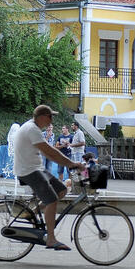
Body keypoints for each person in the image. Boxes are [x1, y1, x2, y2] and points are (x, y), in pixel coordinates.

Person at [13, 105, 86, 251]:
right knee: (51, 200)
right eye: (49, 116)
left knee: (62, 190)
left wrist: (69, 163)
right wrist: (72, 163)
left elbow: (48, 153)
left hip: (36, 168)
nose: (51, 120)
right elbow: (50, 151)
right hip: (28, 171)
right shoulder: (32, 129)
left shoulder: (33, 127)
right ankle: (51, 239)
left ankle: (33, 212)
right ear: (41, 117)